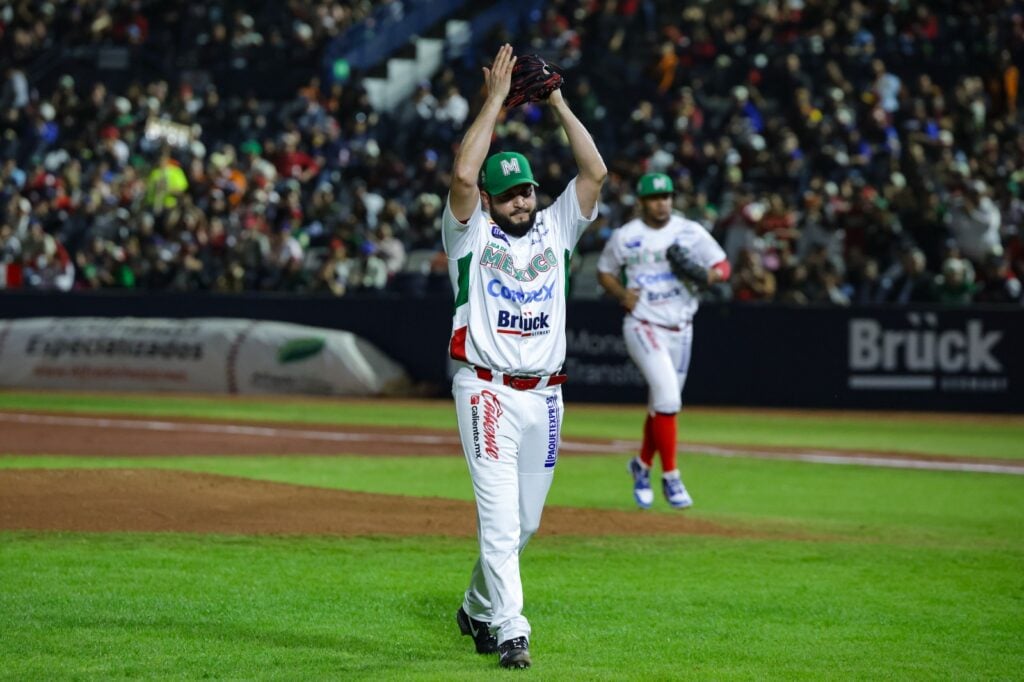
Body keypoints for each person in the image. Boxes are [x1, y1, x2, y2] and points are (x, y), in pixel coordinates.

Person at [442, 44, 606, 670]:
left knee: (527, 524)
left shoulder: (556, 228)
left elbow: (594, 175)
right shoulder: (470, 234)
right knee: (501, 525)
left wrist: (557, 100)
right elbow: (462, 176)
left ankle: (477, 608)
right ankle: (512, 630)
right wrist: (492, 103)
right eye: (508, 193)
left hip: (545, 394)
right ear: (488, 200)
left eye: (527, 191)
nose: (521, 202)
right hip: (485, 389)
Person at [596, 173, 730, 510]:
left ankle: (641, 466)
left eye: (667, 196)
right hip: (643, 323)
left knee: (661, 405)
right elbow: (604, 271)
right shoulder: (627, 236)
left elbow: (722, 265)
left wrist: (710, 275)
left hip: (682, 327)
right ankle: (671, 477)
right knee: (669, 398)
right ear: (641, 202)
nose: (663, 203)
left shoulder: (689, 231)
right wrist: (621, 293)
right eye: (655, 198)